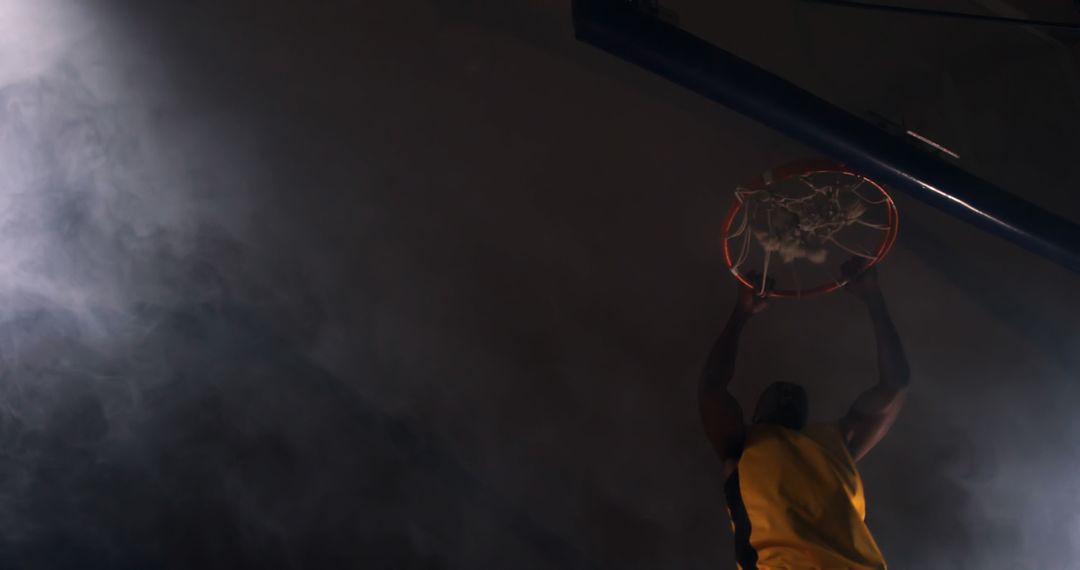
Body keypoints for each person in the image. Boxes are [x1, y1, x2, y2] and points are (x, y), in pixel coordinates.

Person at [699, 261, 910, 569]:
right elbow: (712, 386)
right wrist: (871, 296)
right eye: (780, 392)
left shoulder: (835, 444)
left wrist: (742, 314)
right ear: (755, 416)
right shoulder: (744, 444)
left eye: (786, 392)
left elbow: (896, 386)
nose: (786, 393)